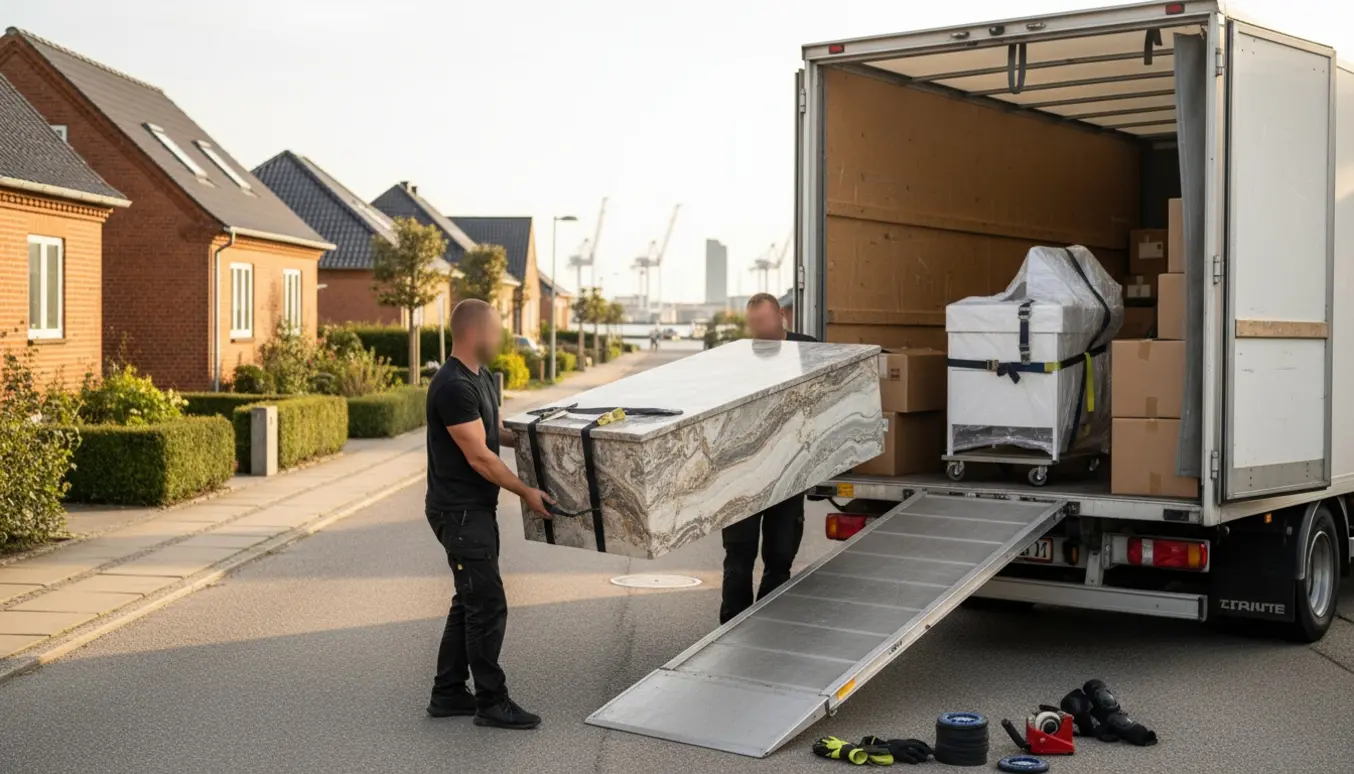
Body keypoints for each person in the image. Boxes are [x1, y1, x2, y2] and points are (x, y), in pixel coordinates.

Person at [424, 299, 555, 729]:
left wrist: (541, 437)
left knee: (469, 601)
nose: (500, 338)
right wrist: (526, 492)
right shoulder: (451, 386)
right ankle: (491, 701)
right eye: (495, 330)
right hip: (459, 513)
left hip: (475, 511)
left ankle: (447, 693)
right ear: (473, 333)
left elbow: (492, 433)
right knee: (487, 605)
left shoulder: (481, 378)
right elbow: (480, 457)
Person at [719, 292, 818, 624]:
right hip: (744, 472)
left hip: (788, 469)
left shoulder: (808, 349)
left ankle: (767, 623)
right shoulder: (738, 358)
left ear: (780, 316)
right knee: (738, 555)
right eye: (754, 324)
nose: (759, 329)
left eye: (764, 321)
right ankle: (732, 626)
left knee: (779, 554)